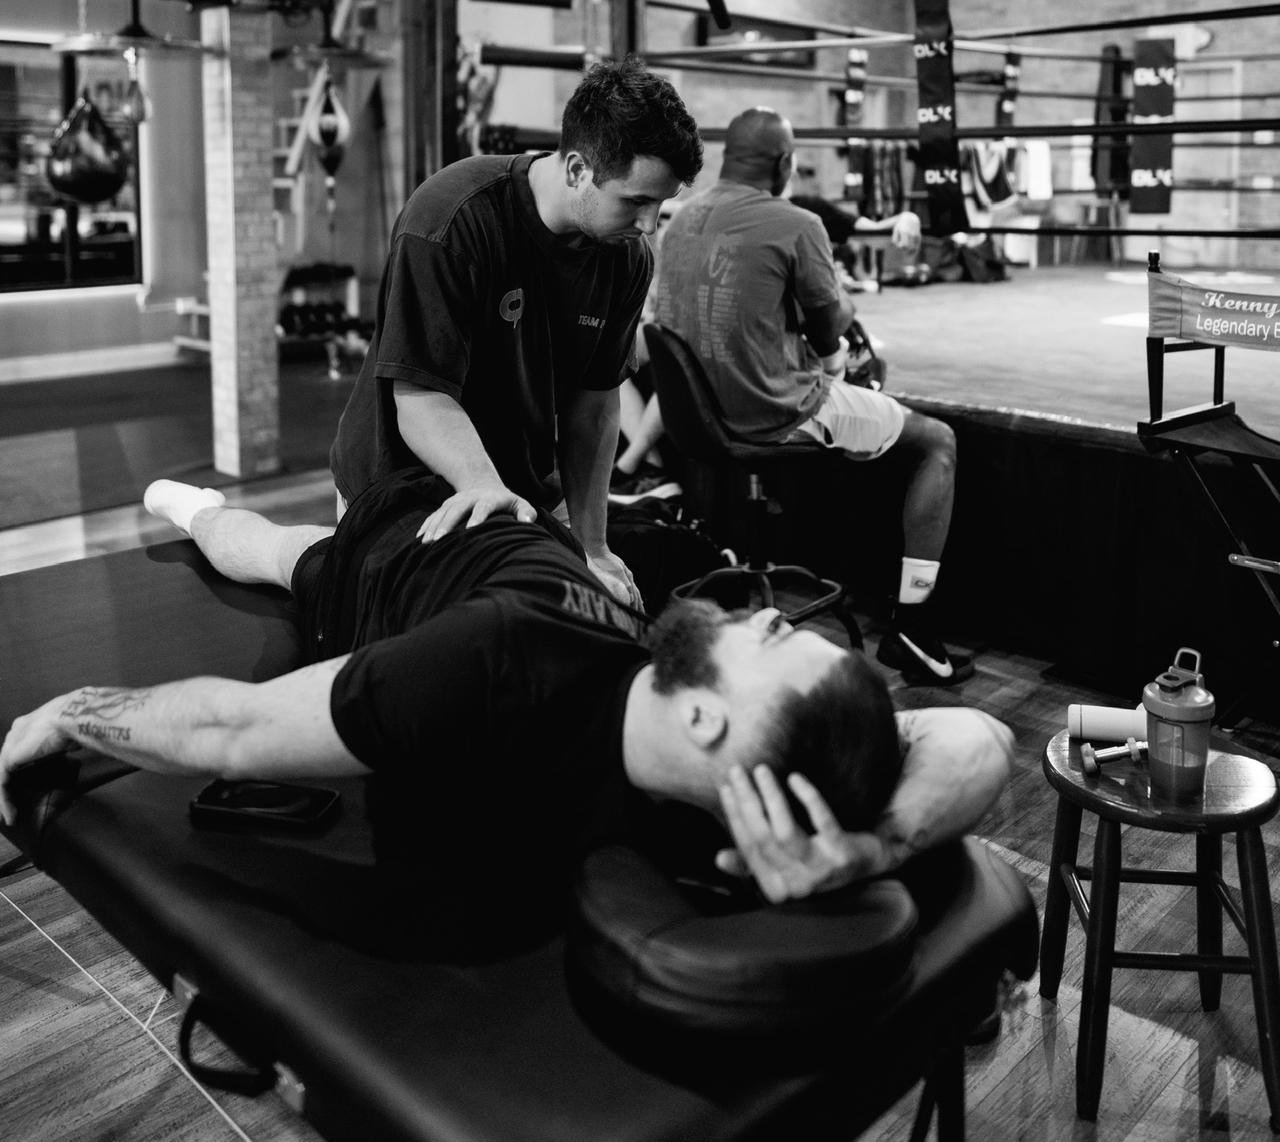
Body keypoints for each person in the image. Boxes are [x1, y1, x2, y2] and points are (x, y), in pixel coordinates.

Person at [0, 477, 1013, 952]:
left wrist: (77, 713)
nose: (761, 616)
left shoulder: (492, 674)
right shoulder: (706, 784)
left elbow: (232, 730)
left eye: (774, 642)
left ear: (707, 725)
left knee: (283, 554)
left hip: (452, 576)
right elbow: (987, 734)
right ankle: (183, 501)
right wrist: (870, 851)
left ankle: (203, 506)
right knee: (263, 548)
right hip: (449, 530)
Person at [329, 56, 704, 610]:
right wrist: (481, 484)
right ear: (578, 169)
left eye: (661, 205)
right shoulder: (453, 218)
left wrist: (593, 543)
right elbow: (421, 394)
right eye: (636, 201)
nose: (649, 225)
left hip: (519, 491)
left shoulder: (625, 258)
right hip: (399, 490)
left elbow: (594, 405)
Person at [653, 107, 968, 687]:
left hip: (696, 418)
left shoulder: (679, 219)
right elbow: (830, 331)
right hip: (776, 413)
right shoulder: (796, 224)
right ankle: (914, 628)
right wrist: (835, 320)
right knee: (936, 442)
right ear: (785, 163)